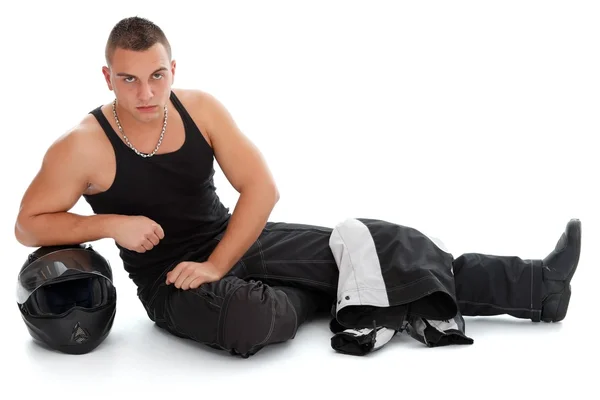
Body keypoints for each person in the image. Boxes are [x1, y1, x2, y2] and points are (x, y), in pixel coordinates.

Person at [14, 16, 582, 358]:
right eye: (130, 79)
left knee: (379, 245)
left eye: (157, 75)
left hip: (234, 239)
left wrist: (220, 262)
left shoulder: (201, 109)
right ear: (107, 77)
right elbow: (28, 224)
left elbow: (262, 189)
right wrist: (112, 224)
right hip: (171, 279)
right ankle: (335, 294)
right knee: (253, 323)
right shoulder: (82, 145)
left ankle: (538, 287)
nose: (146, 93)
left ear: (174, 69)